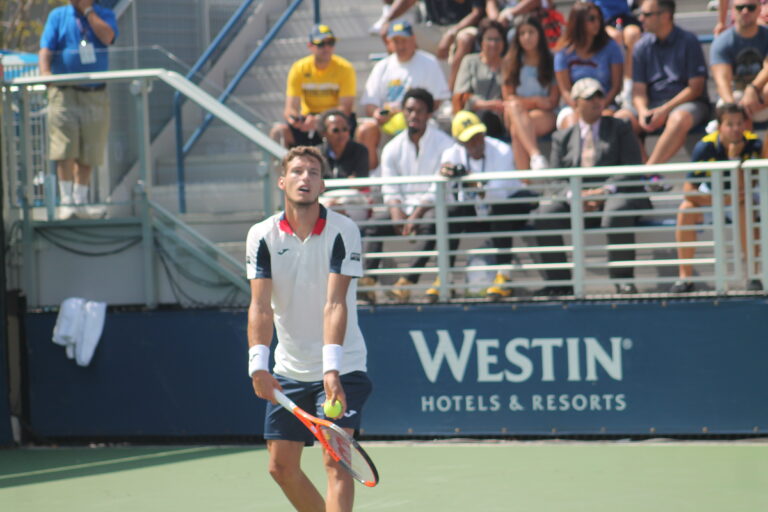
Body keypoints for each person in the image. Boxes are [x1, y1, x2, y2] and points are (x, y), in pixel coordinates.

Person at [246, 145, 372, 512]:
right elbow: (259, 305)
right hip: (290, 370)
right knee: (281, 467)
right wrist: (258, 365)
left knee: (336, 461)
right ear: (282, 181)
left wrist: (331, 369)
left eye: (314, 173)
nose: (305, 178)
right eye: (298, 171)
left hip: (343, 365)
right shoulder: (261, 235)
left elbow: (335, 304)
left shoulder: (343, 230)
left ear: (322, 186)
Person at [534, 78, 651, 296]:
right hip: (577, 200)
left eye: (599, 95)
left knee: (616, 211)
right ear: (576, 103)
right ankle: (560, 284)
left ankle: (623, 281)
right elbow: (556, 180)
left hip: (615, 194)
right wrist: (576, 196)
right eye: (589, 98)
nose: (597, 101)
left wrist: (603, 192)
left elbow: (632, 167)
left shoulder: (620, 128)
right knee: (543, 216)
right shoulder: (562, 137)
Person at [414, 110, 538, 301]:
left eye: (478, 135)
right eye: (469, 139)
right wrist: (418, 211)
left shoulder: (502, 150)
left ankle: (504, 276)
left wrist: (473, 183)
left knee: (500, 211)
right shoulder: (451, 154)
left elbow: (498, 195)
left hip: (509, 205)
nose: (475, 142)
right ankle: (445, 277)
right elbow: (435, 192)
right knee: (449, 213)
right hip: (478, 209)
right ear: (459, 142)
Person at [360, 88, 454, 304]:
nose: (414, 115)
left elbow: (440, 185)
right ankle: (368, 284)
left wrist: (418, 212)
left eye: (420, 111)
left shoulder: (445, 144)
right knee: (372, 226)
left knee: (434, 223)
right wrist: (395, 212)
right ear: (402, 112)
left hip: (432, 209)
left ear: (429, 114)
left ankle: (406, 283)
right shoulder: (392, 147)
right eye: (410, 110)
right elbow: (390, 186)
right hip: (404, 210)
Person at [670, 103, 763, 293]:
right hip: (712, 196)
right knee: (686, 209)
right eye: (730, 124)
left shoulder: (754, 145)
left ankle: (753, 276)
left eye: (740, 123)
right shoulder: (705, 147)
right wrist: (719, 201)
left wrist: (733, 159)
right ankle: (685, 278)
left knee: (746, 208)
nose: (736, 129)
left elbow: (743, 191)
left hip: (741, 199)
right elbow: (689, 190)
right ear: (720, 126)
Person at [39, 0, 118, 220]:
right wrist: (45, 75)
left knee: (90, 147)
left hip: (95, 93)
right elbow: (46, 48)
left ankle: (81, 201)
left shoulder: (104, 14)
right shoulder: (58, 15)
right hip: (64, 93)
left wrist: (88, 12)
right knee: (64, 147)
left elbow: (108, 37)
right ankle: (66, 201)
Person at [615, 0, 710, 165]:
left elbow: (695, 88)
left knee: (678, 118)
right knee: (621, 118)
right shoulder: (641, 46)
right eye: (640, 14)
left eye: (646, 14)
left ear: (665, 16)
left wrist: (665, 110)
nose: (641, 19)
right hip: (653, 105)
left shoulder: (689, 41)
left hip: (686, 103)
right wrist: (644, 111)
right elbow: (638, 91)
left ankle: (648, 171)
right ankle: (647, 174)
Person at [357, 20, 451, 172]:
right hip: (388, 124)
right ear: (389, 43)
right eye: (396, 41)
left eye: (404, 40)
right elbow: (370, 103)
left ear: (413, 40)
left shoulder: (429, 62)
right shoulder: (382, 66)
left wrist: (407, 112)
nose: (400, 45)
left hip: (419, 120)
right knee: (366, 129)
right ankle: (371, 182)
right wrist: (378, 113)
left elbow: (437, 100)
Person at [270, 25, 356, 149]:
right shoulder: (299, 68)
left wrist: (320, 121)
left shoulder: (345, 68)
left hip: (333, 119)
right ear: (310, 46)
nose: (326, 48)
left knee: (337, 128)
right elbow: (290, 109)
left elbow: (345, 109)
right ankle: (286, 168)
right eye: (321, 44)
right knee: (278, 132)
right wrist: (296, 120)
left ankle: (341, 167)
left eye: (330, 43)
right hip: (308, 119)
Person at [377, 0, 486, 90]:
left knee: (465, 39)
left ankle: (450, 93)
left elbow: (477, 13)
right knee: (398, 34)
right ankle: (404, 89)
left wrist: (451, 33)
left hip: (461, 27)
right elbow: (406, 2)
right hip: (433, 28)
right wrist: (386, 21)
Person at [553, 1, 624, 130]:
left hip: (605, 105)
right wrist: (581, 108)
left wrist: (599, 106)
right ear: (578, 22)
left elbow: (616, 87)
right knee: (573, 127)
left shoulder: (611, 47)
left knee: (607, 125)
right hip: (573, 107)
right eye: (591, 19)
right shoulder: (563, 51)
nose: (597, 22)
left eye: (599, 18)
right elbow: (565, 90)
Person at [502, 14, 558, 170]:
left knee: (517, 130)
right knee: (514, 109)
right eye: (522, 33)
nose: (527, 37)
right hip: (516, 113)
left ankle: (525, 182)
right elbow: (508, 98)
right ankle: (535, 155)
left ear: (539, 34)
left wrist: (526, 103)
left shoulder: (551, 60)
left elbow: (551, 101)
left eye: (531, 32)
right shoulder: (509, 61)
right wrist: (535, 101)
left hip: (544, 115)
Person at [711, 0, 768, 125]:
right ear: (733, 10)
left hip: (762, 97)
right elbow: (722, 81)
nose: (745, 11)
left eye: (751, 7)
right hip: (737, 96)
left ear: (759, 9)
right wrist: (734, 109)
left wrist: (752, 89)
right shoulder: (722, 41)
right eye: (740, 7)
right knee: (725, 112)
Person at [453, 19, 508, 139]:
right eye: (489, 39)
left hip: (498, 119)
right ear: (481, 41)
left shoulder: (508, 65)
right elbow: (460, 95)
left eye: (497, 39)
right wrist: (486, 104)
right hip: (472, 115)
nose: (493, 44)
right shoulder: (470, 61)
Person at [316, 110, 371, 224]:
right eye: (336, 130)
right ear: (324, 133)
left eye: (345, 129)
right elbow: (315, 185)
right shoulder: (316, 154)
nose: (341, 134)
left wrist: (328, 186)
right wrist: (348, 182)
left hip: (352, 201)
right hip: (325, 201)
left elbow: (360, 183)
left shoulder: (360, 151)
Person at [594, 0, 644, 107]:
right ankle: (616, 86)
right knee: (614, 37)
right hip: (601, 20)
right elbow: (587, 7)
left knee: (633, 34)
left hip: (625, 18)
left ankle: (628, 87)